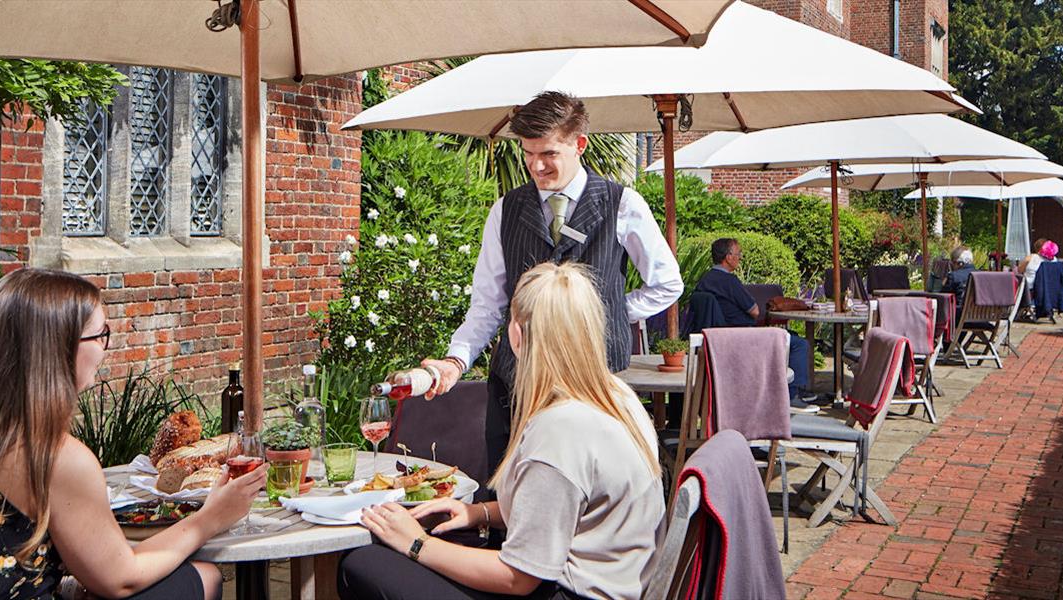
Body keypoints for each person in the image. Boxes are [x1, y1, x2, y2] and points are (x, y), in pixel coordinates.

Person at [0, 268, 267, 600]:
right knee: (205, 577)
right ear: (59, 350)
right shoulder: (52, 456)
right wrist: (210, 519)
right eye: (100, 335)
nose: (106, 348)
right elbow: (121, 578)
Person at [340, 263, 665, 600]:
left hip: (566, 592)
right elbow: (567, 508)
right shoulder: (618, 396)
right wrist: (478, 513)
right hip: (619, 583)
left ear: (517, 335)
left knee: (363, 564)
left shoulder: (560, 430)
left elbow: (519, 577)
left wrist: (416, 543)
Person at [419, 91, 683, 465]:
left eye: (548, 154)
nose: (536, 166)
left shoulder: (622, 204)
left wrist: (609, 311)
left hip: (593, 385)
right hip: (517, 389)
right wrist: (456, 360)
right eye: (528, 154)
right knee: (508, 499)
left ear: (580, 145)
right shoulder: (505, 210)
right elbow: (487, 305)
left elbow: (668, 283)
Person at [692, 237, 821, 414]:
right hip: (742, 337)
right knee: (798, 344)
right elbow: (754, 311)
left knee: (791, 338)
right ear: (728, 257)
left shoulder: (705, 279)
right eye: (738, 254)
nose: (740, 258)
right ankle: (791, 397)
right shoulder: (729, 281)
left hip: (719, 338)